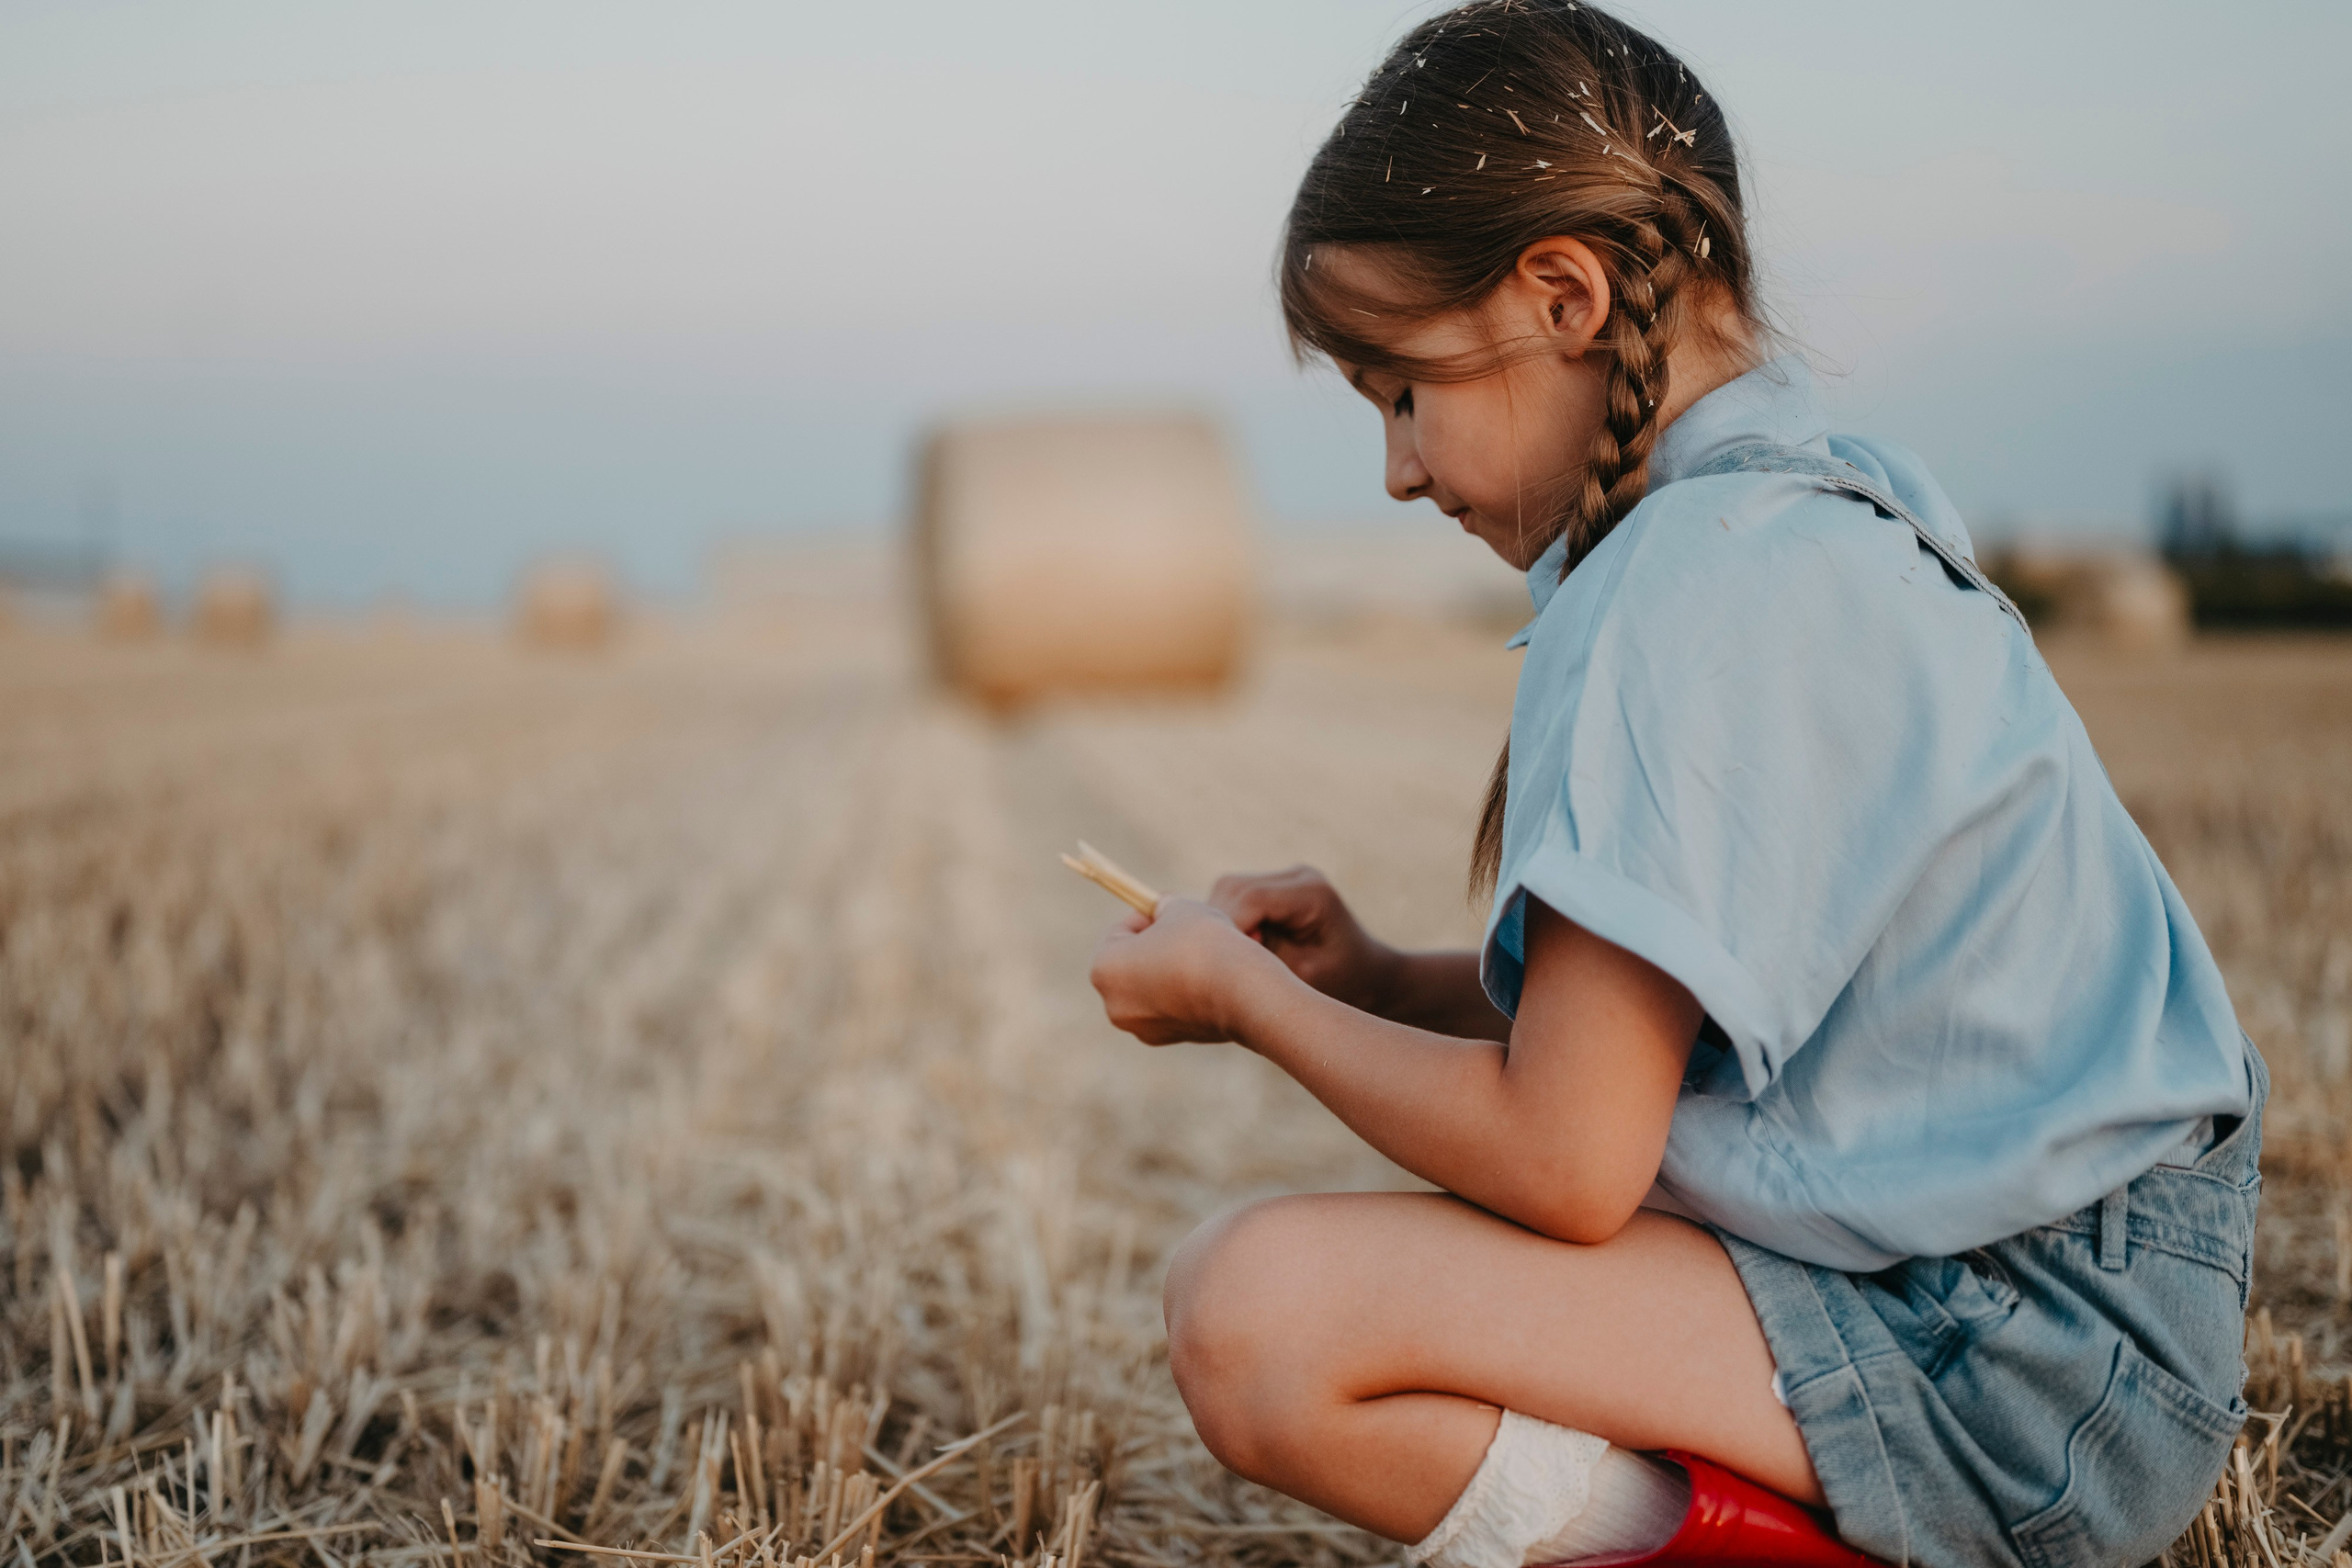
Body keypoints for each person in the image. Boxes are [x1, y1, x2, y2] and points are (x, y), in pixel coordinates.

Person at [1082, 6, 2261, 1567]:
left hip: (2020, 1355)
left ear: (1563, 295)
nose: (1398, 468)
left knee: (1259, 1319)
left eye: (1402, 390)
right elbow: (1661, 1050)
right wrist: (1382, 979)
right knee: (1269, 1308)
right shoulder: (1782, 521)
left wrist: (1257, 1006)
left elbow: (1567, 1165)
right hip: (2050, 1311)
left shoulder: (1695, 591)